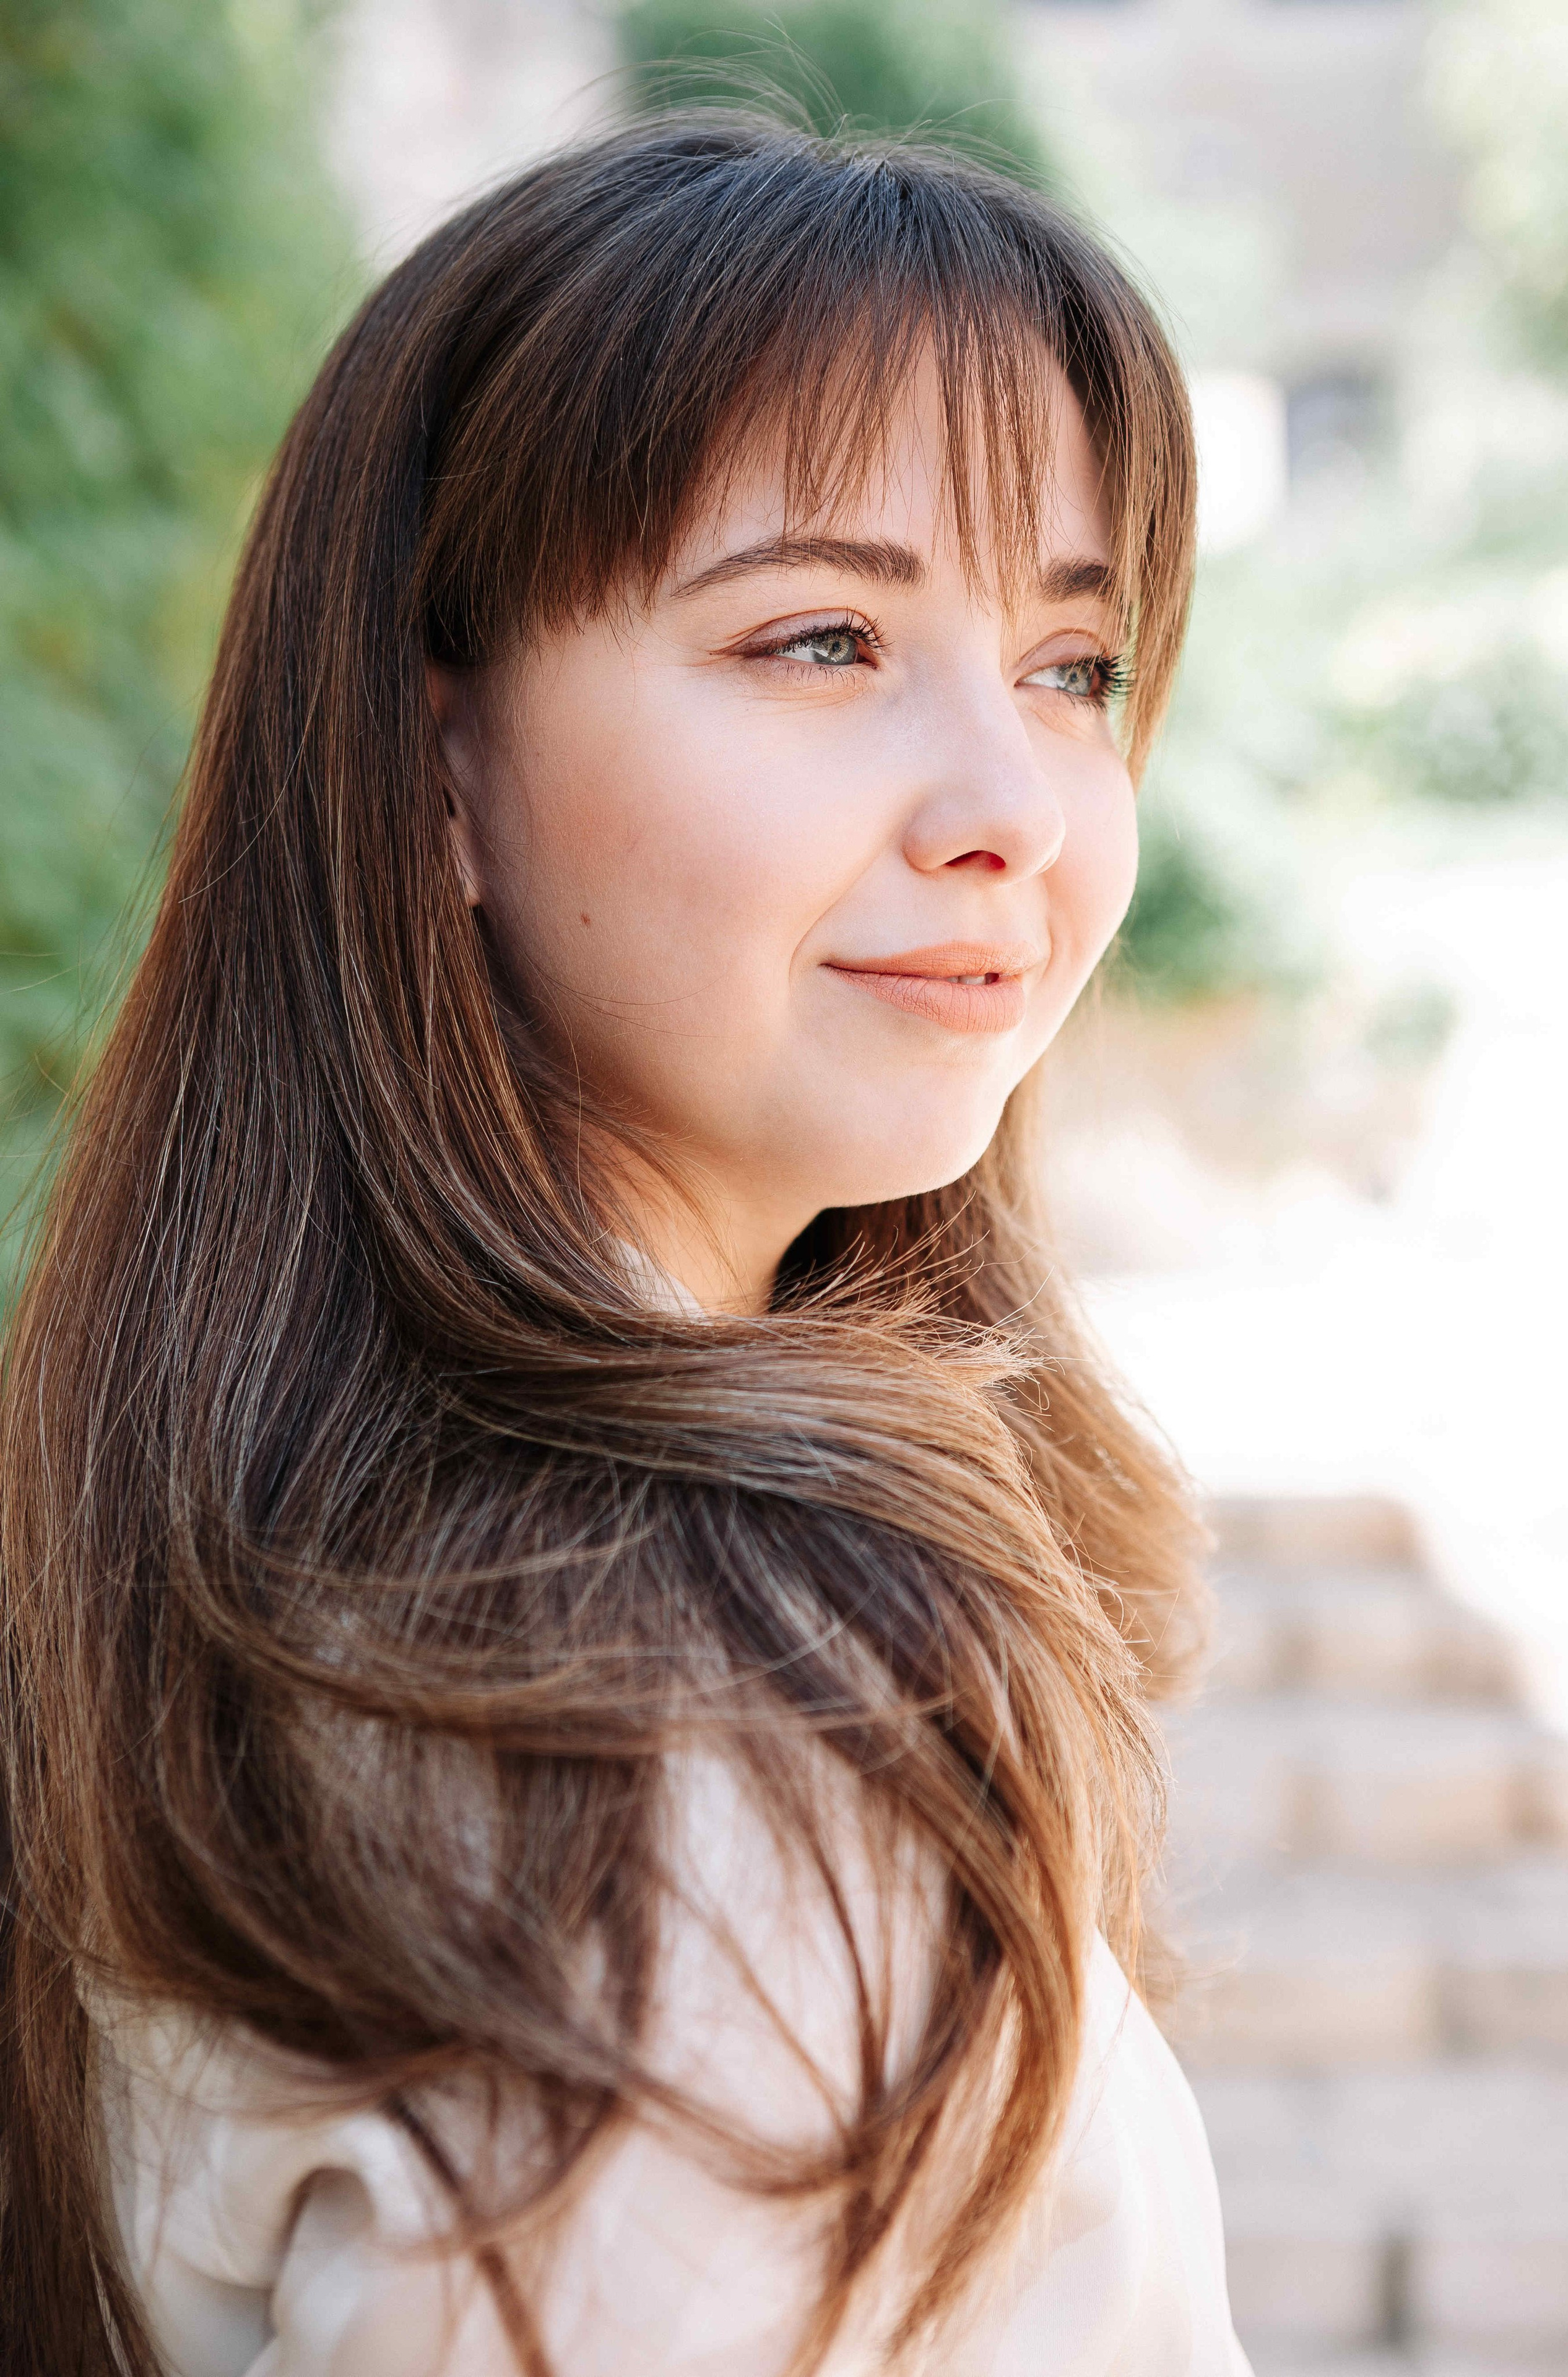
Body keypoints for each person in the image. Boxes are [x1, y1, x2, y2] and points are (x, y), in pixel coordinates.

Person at [0, 116, 1249, 2376]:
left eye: (1073, 667)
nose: (1012, 813)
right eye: (825, 637)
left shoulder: (290, 1546)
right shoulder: (676, 1750)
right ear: (438, 770)